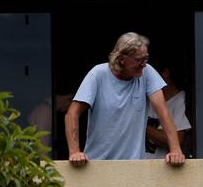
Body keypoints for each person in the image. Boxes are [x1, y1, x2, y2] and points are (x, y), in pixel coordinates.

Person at [64, 32, 185, 166]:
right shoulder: (98, 74)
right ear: (121, 59)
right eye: (139, 60)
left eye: (146, 58)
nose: (144, 64)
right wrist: (75, 151)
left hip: (134, 165)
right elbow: (72, 113)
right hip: (98, 163)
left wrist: (175, 150)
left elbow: (163, 112)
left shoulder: (147, 72)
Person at [144, 63, 191, 159]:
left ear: (165, 73)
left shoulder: (181, 100)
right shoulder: (144, 99)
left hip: (163, 169)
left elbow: (177, 139)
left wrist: (142, 126)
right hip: (135, 166)